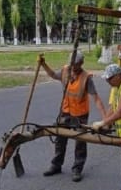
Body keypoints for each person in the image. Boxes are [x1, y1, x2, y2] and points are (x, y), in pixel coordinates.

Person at [38, 51, 106, 182]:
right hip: (65, 110)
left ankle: (77, 169)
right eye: (72, 64)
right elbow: (53, 75)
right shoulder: (65, 70)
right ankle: (56, 165)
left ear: (81, 64)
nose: (73, 67)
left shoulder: (86, 78)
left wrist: (105, 120)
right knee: (60, 137)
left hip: (80, 114)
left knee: (80, 141)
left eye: (76, 65)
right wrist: (43, 64)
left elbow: (96, 99)